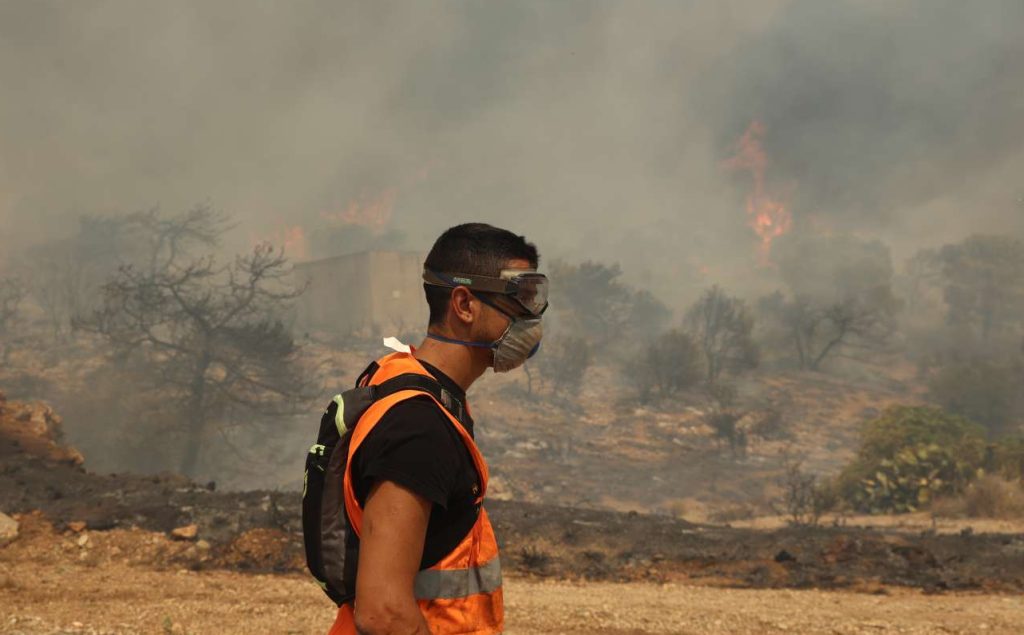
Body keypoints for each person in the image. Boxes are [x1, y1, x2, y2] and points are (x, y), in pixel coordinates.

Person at [328, 223, 547, 635]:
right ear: (464, 304)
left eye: (536, 300)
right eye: (519, 299)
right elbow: (383, 612)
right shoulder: (418, 426)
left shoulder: (417, 388)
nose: (532, 319)